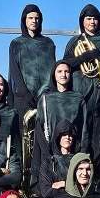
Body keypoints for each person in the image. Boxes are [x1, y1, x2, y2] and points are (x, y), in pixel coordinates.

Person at [62, 4, 100, 147]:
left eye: (95, 19)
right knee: (81, 132)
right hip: (80, 93)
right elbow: (65, 65)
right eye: (88, 19)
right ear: (82, 21)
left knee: (99, 134)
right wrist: (84, 57)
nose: (92, 22)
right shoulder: (74, 41)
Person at [33, 60, 88, 189]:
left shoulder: (78, 98)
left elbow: (84, 128)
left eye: (66, 71)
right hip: (51, 153)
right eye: (59, 71)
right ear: (54, 75)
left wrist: (82, 152)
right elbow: (39, 128)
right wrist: (46, 152)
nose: (63, 74)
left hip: (72, 152)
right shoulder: (45, 99)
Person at [8, 4, 56, 117]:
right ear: (24, 20)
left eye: (37, 18)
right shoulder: (16, 43)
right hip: (23, 97)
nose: (34, 21)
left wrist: (47, 93)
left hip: (45, 97)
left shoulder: (48, 43)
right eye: (30, 18)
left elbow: (52, 70)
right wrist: (25, 94)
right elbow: (14, 71)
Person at [37, 120, 79, 198]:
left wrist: (63, 184)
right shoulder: (49, 162)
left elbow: (83, 188)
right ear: (58, 137)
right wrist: (72, 188)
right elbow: (46, 192)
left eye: (70, 134)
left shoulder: (79, 160)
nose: (67, 137)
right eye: (64, 134)